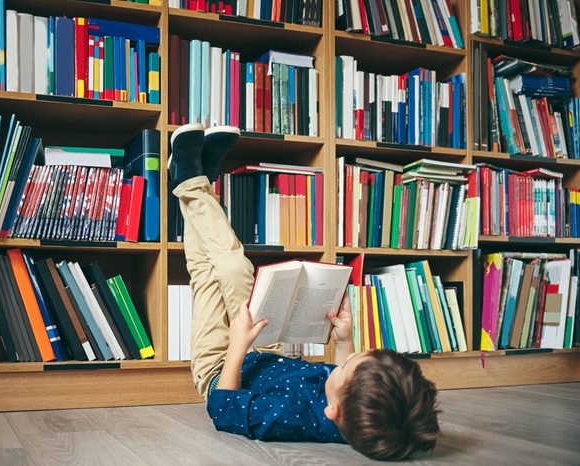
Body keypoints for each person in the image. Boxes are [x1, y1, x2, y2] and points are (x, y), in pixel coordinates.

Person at [169, 123, 440, 461]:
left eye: (344, 366)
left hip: (219, 365)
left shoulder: (285, 418)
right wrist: (344, 342)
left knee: (211, 271)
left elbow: (223, 410)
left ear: (333, 412)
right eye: (355, 358)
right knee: (232, 268)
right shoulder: (357, 406)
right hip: (264, 347)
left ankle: (192, 181)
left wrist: (237, 345)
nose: (341, 364)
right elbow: (345, 377)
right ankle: (192, 181)